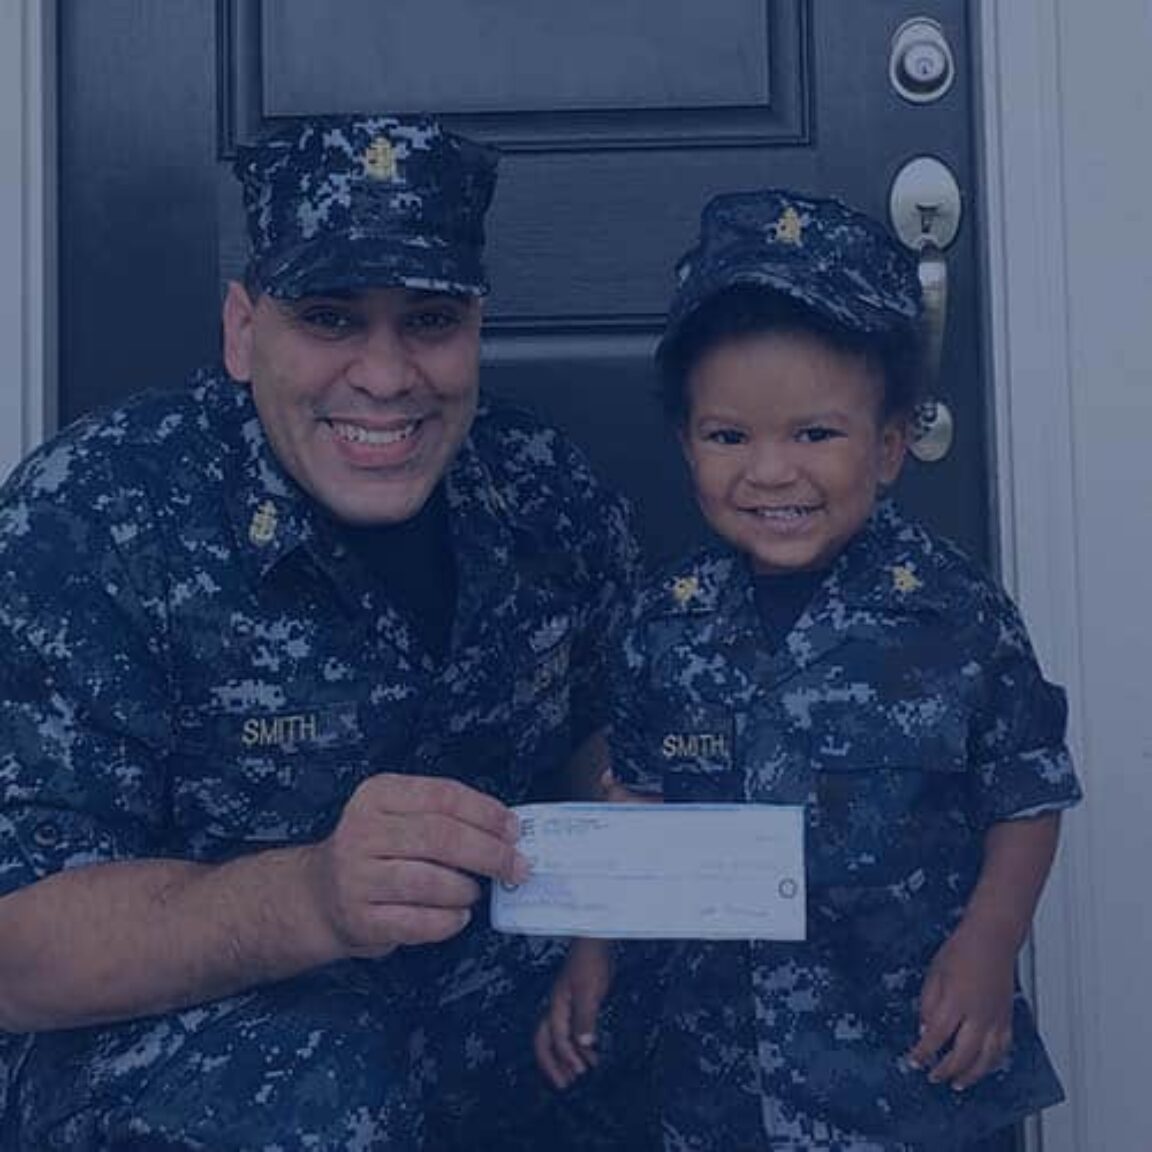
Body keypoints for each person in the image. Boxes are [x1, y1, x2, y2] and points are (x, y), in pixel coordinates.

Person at [0, 113, 657, 1151]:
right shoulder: (95, 518)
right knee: (320, 1082)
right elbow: (18, 950)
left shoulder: (546, 493)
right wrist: (310, 897)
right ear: (241, 329)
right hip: (211, 1067)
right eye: (331, 319)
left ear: (477, 329)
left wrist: (645, 817)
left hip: (494, 1016)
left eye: (430, 321)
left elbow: (603, 745)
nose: (387, 377)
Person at [534, 189, 1083, 1151]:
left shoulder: (957, 617)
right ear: (685, 443)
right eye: (729, 436)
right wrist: (592, 954)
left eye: (815, 435)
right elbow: (639, 810)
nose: (771, 473)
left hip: (906, 1070)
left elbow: (1026, 792)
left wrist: (991, 943)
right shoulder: (666, 624)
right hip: (719, 1074)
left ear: (890, 444)